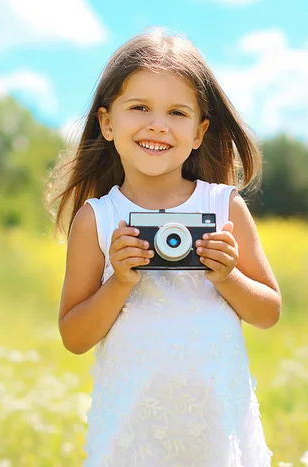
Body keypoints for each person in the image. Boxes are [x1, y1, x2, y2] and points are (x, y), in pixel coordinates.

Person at [45, 27, 282, 467]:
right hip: (132, 435)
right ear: (108, 122)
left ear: (198, 132)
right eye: (140, 108)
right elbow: (74, 337)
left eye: (177, 112)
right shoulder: (97, 219)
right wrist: (118, 282)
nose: (158, 124)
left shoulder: (223, 206)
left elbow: (268, 312)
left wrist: (228, 276)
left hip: (217, 429)